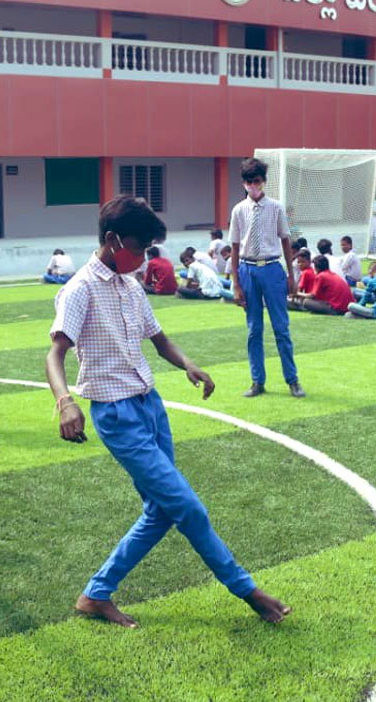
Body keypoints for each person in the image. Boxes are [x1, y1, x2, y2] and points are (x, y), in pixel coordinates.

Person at [45, 196, 291, 629]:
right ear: (111, 240)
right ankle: (248, 591)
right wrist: (65, 402)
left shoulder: (131, 285)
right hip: (117, 417)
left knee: (162, 510)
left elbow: (158, 340)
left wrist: (189, 365)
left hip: (151, 407)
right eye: (138, 250)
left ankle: (95, 594)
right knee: (188, 508)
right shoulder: (79, 289)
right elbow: (55, 354)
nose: (142, 260)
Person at [229, 157, 304, 398]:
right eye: (249, 182)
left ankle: (292, 379)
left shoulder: (277, 207)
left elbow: (285, 240)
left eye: (257, 181)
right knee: (254, 330)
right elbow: (234, 246)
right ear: (244, 183)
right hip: (248, 269)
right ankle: (257, 380)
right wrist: (236, 284)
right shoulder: (238, 210)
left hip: (273, 268)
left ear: (264, 182)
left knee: (281, 328)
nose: (253, 186)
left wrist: (291, 276)